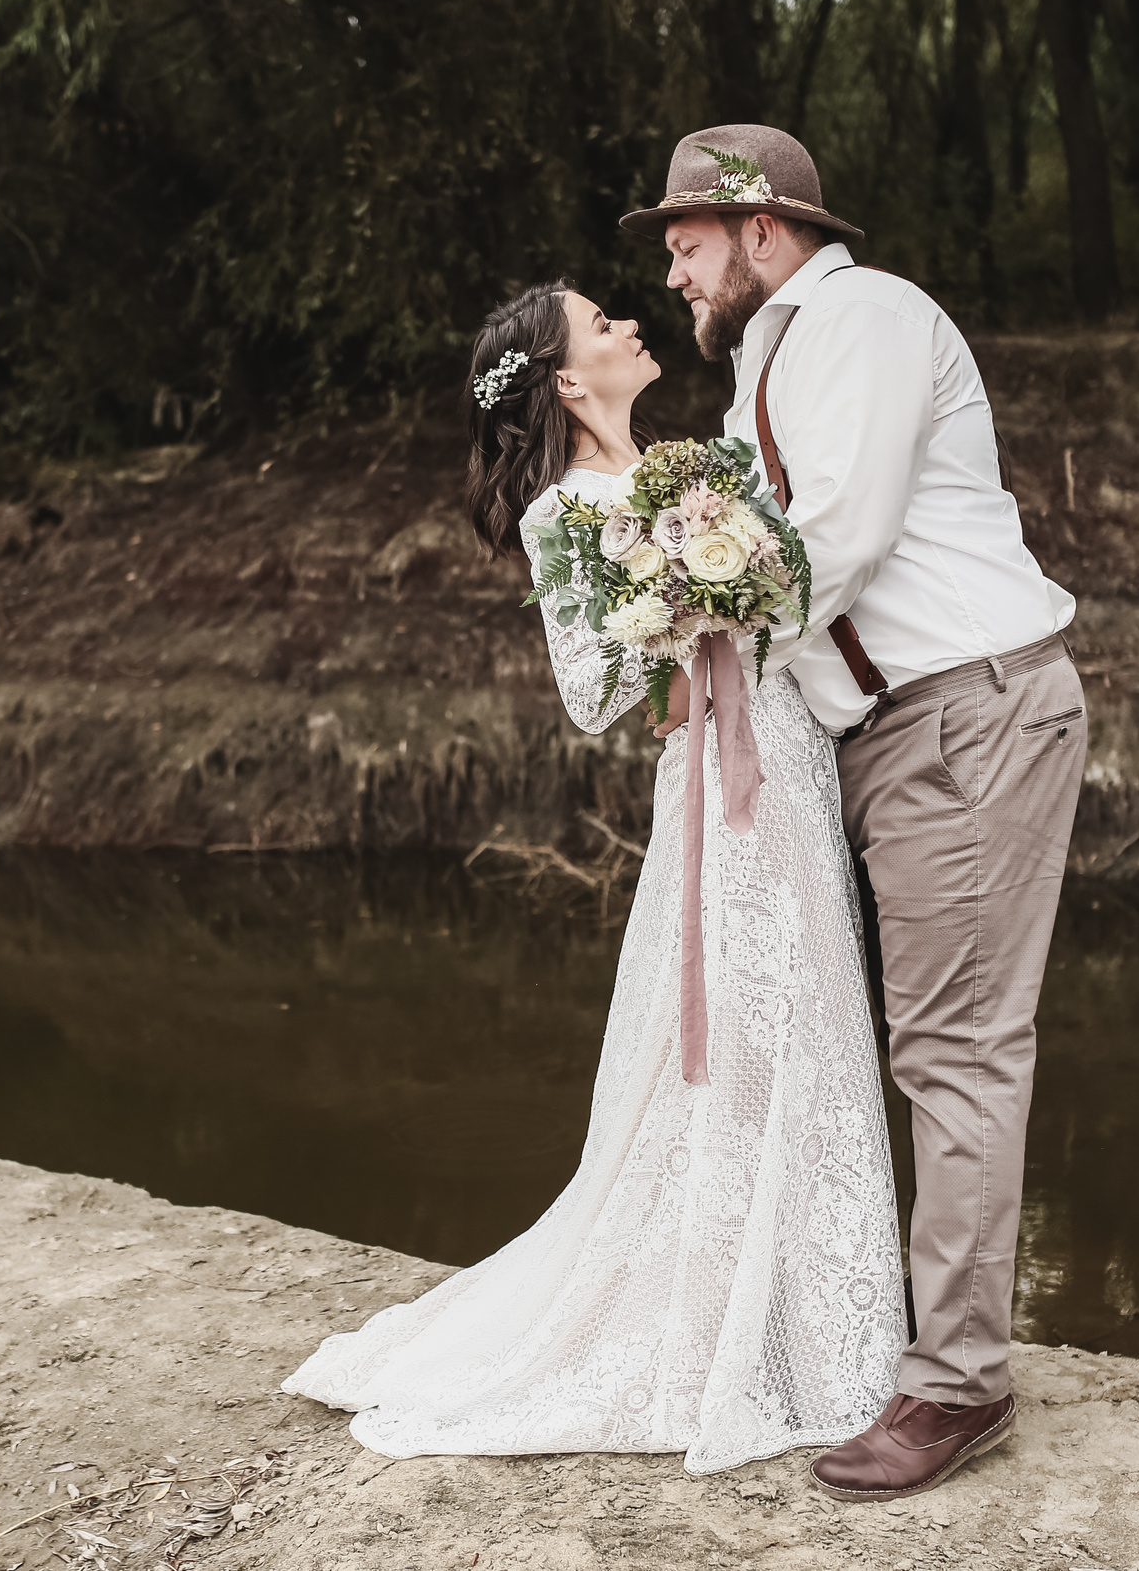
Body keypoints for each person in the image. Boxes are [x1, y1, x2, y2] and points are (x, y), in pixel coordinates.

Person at [279, 277, 908, 1476]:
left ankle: (817, 1320)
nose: (628, 325)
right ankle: (728, 1332)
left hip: (789, 760)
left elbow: (784, 600)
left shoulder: (688, 463)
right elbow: (591, 695)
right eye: (601, 325)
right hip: (718, 792)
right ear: (569, 381)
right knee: (726, 1039)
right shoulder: (565, 513)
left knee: (809, 1024)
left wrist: (735, 583)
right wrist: (683, 604)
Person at [622, 123, 1085, 1501]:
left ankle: (957, 1385)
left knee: (956, 1049)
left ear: (765, 232)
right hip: (896, 731)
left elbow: (842, 528)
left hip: (964, 713)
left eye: (689, 243)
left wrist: (703, 620)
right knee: (915, 1041)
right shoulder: (779, 348)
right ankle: (914, 1340)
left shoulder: (864, 315)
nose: (673, 271)